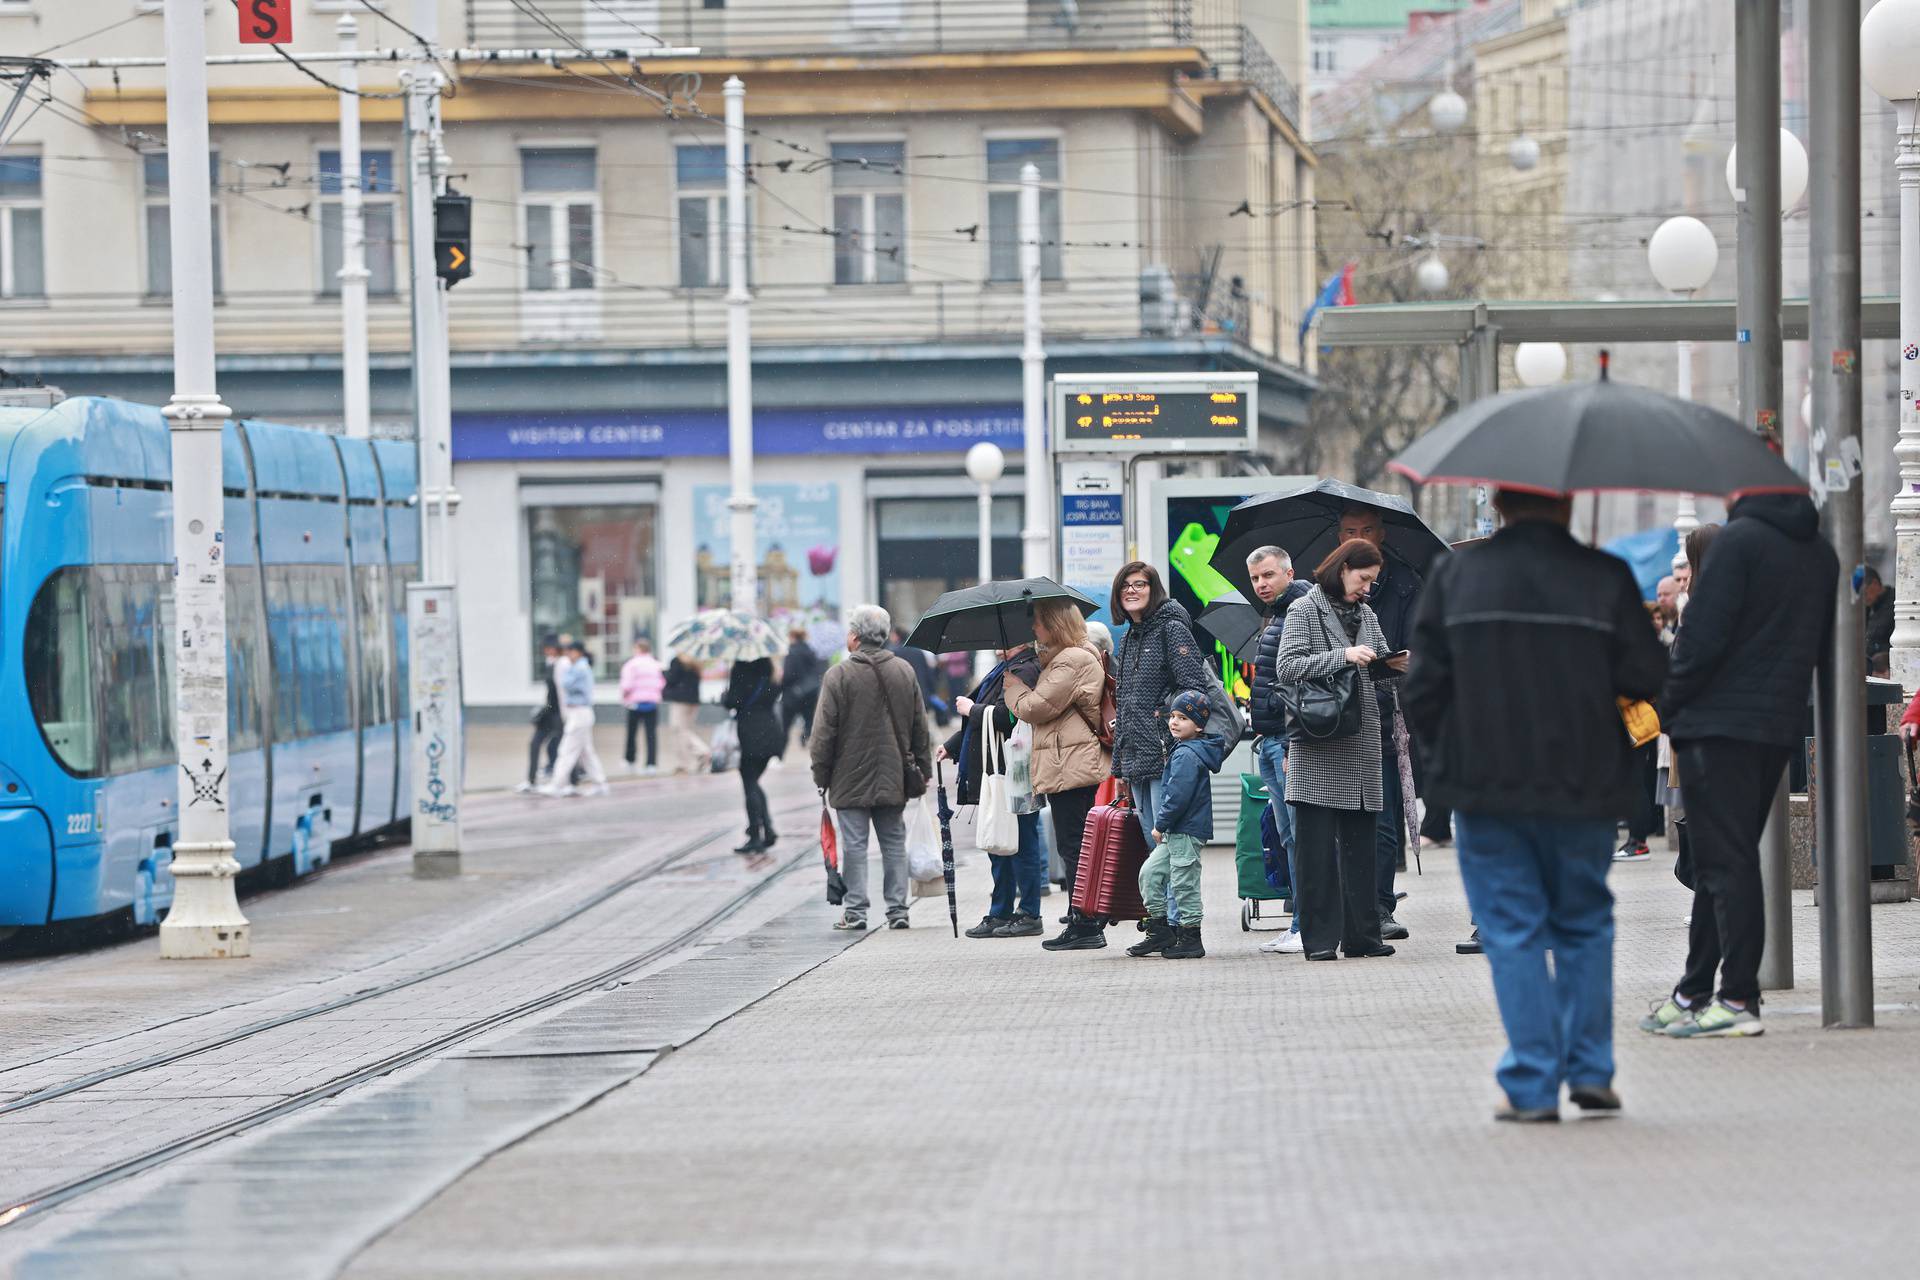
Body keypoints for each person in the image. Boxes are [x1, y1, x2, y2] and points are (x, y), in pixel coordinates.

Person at [1403, 489, 1669, 1122]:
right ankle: (1592, 1069)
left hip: (1486, 785)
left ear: (1498, 503)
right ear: (1569, 502)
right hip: (1583, 783)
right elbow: (1647, 677)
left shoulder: (1458, 576)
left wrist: (1447, 764)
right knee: (1583, 922)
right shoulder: (1604, 575)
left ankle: (1531, 1081)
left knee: (1511, 929)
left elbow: (1424, 686)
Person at [1642, 492, 1836, 1039]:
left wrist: (1666, 708)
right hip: (1773, 726)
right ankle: (1694, 988)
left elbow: (1702, 639)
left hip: (1717, 723)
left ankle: (1738, 996)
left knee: (1726, 864)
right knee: (1720, 859)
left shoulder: (1738, 544)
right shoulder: (1819, 552)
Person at [1276, 539, 1405, 962]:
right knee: (1314, 852)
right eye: (1363, 579)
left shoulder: (1366, 613)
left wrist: (1395, 665)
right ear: (1343, 568)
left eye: (1372, 582)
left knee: (1361, 847)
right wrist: (1343, 655)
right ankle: (1318, 941)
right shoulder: (1303, 609)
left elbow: (1378, 662)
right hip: (1320, 741)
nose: (1367, 588)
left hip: (1363, 738)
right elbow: (1287, 667)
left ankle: (1363, 936)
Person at [811, 604, 933, 931]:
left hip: (847, 776)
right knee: (893, 842)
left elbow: (823, 733)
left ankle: (856, 911)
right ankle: (897, 910)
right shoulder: (903, 671)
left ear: (854, 637)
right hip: (894, 773)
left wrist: (820, 774)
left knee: (854, 845)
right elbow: (920, 726)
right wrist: (923, 767)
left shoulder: (838, 676)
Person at [1334, 504, 1421, 942]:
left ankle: (1379, 905)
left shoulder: (1404, 585)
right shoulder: (1319, 600)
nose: (1359, 536)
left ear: (1382, 535)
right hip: (1331, 725)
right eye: (1350, 531)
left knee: (1382, 819)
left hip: (1383, 718)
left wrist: (1391, 663)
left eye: (1367, 530)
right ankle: (1346, 907)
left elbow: (1413, 644)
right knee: (1340, 821)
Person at [1004, 598, 1112, 950]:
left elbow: (1035, 707)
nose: (1033, 629)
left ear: (1054, 624)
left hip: (1072, 764)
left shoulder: (1073, 659)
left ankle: (1086, 923)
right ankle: (1081, 918)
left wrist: (1012, 686)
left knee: (1074, 845)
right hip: (1067, 762)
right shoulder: (1067, 657)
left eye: (1038, 623)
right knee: (1073, 843)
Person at [942, 646, 1045, 939]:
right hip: (997, 770)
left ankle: (1029, 912)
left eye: (1005, 640)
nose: (997, 646)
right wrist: (951, 746)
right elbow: (988, 711)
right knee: (999, 842)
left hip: (1014, 770)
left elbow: (1007, 717)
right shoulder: (1005, 668)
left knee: (1022, 841)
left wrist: (970, 709)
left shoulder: (1024, 669)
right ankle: (1001, 911)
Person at [1110, 561, 1210, 851]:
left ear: (1153, 590)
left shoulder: (1172, 628)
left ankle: (1173, 900)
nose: (1131, 590)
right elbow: (1124, 707)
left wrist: (1165, 719)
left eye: (1139, 584)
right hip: (1136, 758)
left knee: (1168, 844)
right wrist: (1120, 770)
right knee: (1153, 848)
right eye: (1125, 586)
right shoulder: (1129, 637)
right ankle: (1158, 900)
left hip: (1165, 754)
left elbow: (1194, 689)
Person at [1244, 545, 1312, 955]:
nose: (1261, 584)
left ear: (1289, 572)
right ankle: (1299, 922)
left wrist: (1291, 740)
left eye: (1268, 575)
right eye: (1255, 579)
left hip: (1287, 742)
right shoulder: (1278, 615)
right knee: (1288, 837)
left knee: (1300, 836)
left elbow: (1300, 683)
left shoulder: (1302, 610)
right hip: (1270, 739)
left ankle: (1308, 923)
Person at [1137, 690, 1226, 960]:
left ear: (1198, 725)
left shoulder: (1188, 754)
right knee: (1150, 873)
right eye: (1172, 716)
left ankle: (1190, 936)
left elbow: (1178, 795)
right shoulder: (1182, 749)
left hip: (1185, 830)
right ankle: (1160, 927)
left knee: (1184, 882)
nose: (1174, 722)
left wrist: (1160, 825)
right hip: (1177, 830)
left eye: (1183, 718)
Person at [723, 650, 785, 853]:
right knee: (754, 783)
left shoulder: (741, 666)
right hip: (771, 729)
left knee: (749, 783)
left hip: (751, 731)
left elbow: (734, 700)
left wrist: (725, 696)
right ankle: (766, 829)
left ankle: (756, 836)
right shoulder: (770, 667)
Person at [543, 640, 609, 797]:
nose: (568, 655)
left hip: (579, 713)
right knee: (586, 752)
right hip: (580, 713)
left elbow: (566, 684)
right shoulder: (580, 666)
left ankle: (557, 784)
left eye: (571, 651)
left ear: (579, 652)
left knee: (567, 749)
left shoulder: (579, 667)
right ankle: (600, 782)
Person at [517, 634, 565, 794]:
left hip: (559, 712)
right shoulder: (551, 663)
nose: (546, 651)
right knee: (535, 743)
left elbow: (559, 693)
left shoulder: (562, 664)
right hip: (550, 710)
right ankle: (531, 780)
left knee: (564, 747)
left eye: (548, 648)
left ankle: (568, 780)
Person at [619, 639, 665, 775]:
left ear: (637, 649)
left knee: (631, 733)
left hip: (635, 703)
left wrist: (624, 697)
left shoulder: (631, 665)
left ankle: (630, 760)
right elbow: (661, 683)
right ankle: (651, 764)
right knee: (651, 734)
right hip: (652, 703)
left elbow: (626, 685)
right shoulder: (656, 665)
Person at [662, 652, 707, 775]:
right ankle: (687, 762)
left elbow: (671, 679)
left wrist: (663, 672)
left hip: (680, 701)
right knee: (685, 730)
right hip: (693, 700)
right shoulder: (696, 662)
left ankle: (700, 753)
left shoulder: (677, 661)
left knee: (678, 730)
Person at [780, 628, 823, 750]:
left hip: (792, 695)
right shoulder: (811, 651)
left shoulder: (792, 652)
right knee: (808, 719)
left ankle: (781, 752)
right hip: (809, 692)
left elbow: (788, 674)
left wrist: (782, 684)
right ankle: (805, 735)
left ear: (793, 637)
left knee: (786, 725)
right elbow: (817, 672)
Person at [888, 626, 941, 719]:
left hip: (902, 696)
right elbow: (928, 673)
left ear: (897, 636)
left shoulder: (894, 653)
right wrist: (932, 691)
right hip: (921, 693)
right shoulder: (918, 652)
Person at [1864, 566, 1894, 677]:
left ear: (1875, 584)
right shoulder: (1867, 608)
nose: (1863, 598)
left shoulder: (1894, 604)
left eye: (1865, 593)